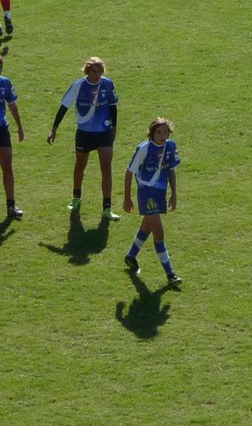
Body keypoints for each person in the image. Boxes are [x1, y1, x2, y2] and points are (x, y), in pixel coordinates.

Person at [47, 57, 121, 219]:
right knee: (80, 165)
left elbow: (113, 107)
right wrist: (54, 129)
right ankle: (76, 197)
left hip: (104, 132)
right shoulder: (79, 85)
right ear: (87, 71)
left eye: (100, 71)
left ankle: (107, 208)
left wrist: (114, 129)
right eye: (94, 71)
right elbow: (64, 107)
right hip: (84, 133)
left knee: (106, 167)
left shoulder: (108, 84)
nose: (98, 75)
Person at [123, 117, 181, 285]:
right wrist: (127, 198)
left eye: (166, 132)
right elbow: (129, 173)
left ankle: (131, 256)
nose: (163, 136)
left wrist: (174, 194)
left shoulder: (171, 146)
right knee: (159, 233)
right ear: (152, 133)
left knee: (148, 225)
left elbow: (171, 170)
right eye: (159, 132)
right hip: (146, 192)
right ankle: (170, 274)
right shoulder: (144, 149)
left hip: (160, 192)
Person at [0, 54, 24, 217]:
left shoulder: (5, 83)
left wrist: (20, 128)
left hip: (2, 129)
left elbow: (13, 106)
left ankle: (11, 206)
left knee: (7, 167)